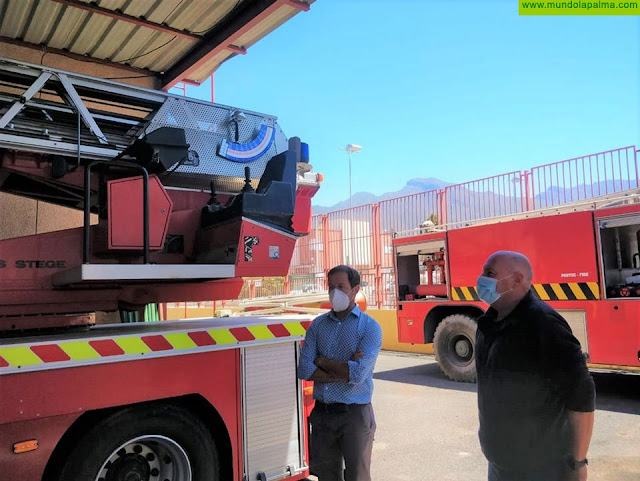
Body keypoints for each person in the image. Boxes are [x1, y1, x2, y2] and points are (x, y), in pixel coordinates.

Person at [475, 251, 596, 481]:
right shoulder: (489, 322)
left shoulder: (543, 324)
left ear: (517, 279)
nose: (481, 279)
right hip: (500, 463)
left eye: (489, 273)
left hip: (540, 469)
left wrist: (577, 462)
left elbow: (581, 394)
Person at [297, 265, 382, 481]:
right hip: (323, 415)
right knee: (326, 476)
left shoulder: (369, 328)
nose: (335, 292)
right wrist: (344, 366)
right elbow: (305, 369)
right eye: (331, 287)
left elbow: (358, 375)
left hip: (354, 415)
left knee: (357, 476)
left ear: (355, 290)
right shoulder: (317, 326)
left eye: (341, 287)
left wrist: (322, 361)